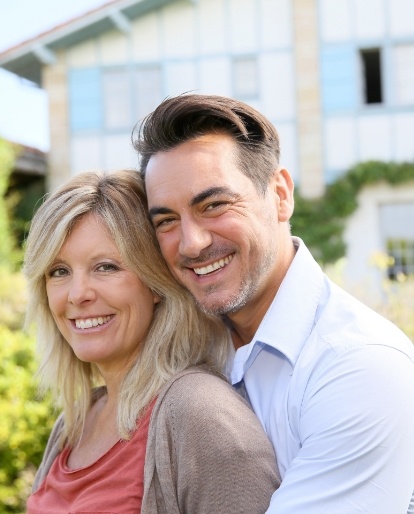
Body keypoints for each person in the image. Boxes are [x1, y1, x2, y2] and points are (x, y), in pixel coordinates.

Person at [133, 93, 414, 513]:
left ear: (280, 194)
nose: (191, 243)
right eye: (167, 221)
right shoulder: (187, 341)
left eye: (214, 205)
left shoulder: (357, 367)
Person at [23, 168, 280, 514]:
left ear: (155, 282)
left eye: (106, 267)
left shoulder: (199, 413)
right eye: (59, 271)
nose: (77, 294)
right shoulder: (77, 422)